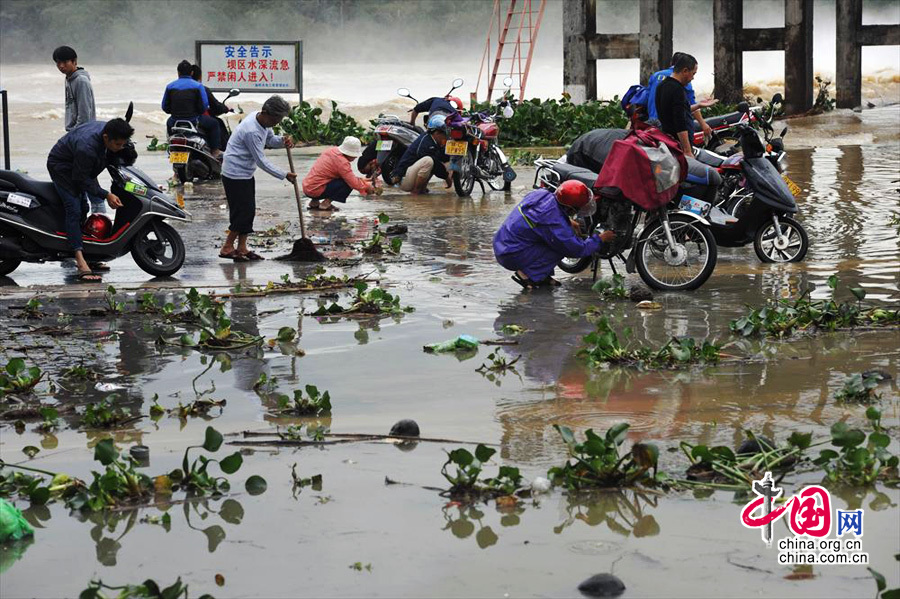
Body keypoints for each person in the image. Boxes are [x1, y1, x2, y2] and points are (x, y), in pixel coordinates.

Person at [46, 119, 132, 281]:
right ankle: (79, 261)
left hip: (79, 164)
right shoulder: (87, 148)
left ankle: (89, 256)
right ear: (106, 138)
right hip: (62, 167)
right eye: (118, 144)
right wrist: (106, 195)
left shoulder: (110, 132)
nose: (120, 148)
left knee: (84, 207)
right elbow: (81, 179)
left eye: (123, 144)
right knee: (75, 209)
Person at [493, 180, 615, 289]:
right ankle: (528, 274)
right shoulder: (555, 224)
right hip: (511, 254)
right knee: (560, 247)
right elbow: (577, 249)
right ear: (570, 208)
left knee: (549, 239)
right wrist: (600, 239)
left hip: (502, 242)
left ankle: (542, 275)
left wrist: (567, 220)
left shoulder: (542, 194)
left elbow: (542, 217)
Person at [219, 96, 296, 262]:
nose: (277, 122)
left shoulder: (260, 121)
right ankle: (227, 247)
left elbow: (269, 140)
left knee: (248, 212)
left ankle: (242, 248)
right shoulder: (251, 130)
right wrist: (284, 174)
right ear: (266, 113)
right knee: (242, 213)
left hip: (245, 173)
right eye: (276, 118)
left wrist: (282, 141)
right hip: (235, 174)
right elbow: (261, 160)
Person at [647, 52, 718, 142]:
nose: (693, 78)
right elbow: (679, 120)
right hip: (673, 134)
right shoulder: (680, 85)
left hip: (653, 126)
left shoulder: (657, 77)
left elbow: (648, 98)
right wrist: (703, 124)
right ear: (684, 70)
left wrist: (699, 104)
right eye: (693, 74)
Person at [161, 60, 220, 157]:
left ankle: (172, 147)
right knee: (214, 124)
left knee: (168, 123)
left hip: (175, 121)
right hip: (194, 120)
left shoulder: (170, 86)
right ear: (191, 73)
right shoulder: (198, 86)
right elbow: (204, 106)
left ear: (178, 72)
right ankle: (215, 151)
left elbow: (165, 107)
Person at [302, 136, 378, 212]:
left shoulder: (331, 151)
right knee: (347, 184)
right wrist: (366, 187)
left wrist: (361, 180)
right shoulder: (342, 163)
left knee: (325, 179)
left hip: (308, 187)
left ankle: (314, 202)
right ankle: (326, 203)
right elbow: (353, 183)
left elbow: (345, 175)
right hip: (316, 190)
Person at [392, 114, 452, 194]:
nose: (446, 136)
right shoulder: (426, 142)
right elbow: (436, 163)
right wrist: (446, 177)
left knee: (433, 162)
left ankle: (422, 190)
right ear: (437, 133)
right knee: (429, 161)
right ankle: (415, 192)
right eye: (444, 134)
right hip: (404, 178)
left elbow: (443, 158)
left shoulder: (434, 141)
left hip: (412, 173)